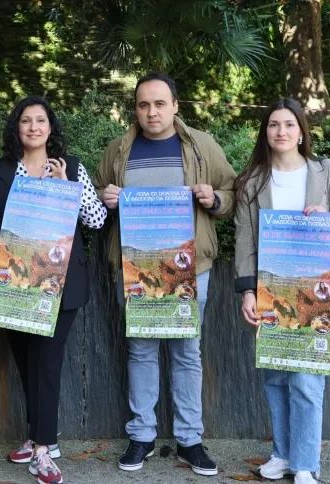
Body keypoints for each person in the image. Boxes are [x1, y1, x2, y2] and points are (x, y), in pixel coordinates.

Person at [93, 72, 237, 476]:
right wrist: (106, 198)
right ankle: (142, 437)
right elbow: (97, 194)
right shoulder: (119, 149)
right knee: (140, 350)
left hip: (190, 269)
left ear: (176, 106)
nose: (151, 111)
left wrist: (215, 198)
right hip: (136, 268)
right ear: (135, 109)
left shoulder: (200, 146)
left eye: (159, 103)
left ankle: (190, 440)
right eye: (143, 104)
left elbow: (234, 192)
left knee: (186, 353)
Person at [0, 96, 107, 484]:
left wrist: (68, 187)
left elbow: (96, 219)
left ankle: (44, 452)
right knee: (26, 362)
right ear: (16, 128)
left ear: (51, 128)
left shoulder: (72, 168)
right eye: (26, 121)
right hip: (13, 285)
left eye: (41, 121)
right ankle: (38, 435)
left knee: (47, 364)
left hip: (61, 285)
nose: (34, 127)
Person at [234, 98, 330, 484]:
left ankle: (305, 464)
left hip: (315, 293)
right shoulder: (252, 181)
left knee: (306, 380)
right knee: (275, 378)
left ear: (302, 130)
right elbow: (244, 241)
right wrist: (247, 292)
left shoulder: (326, 170)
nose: (281, 131)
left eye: (289, 124)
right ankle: (283, 454)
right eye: (273, 125)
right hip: (271, 290)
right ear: (265, 132)